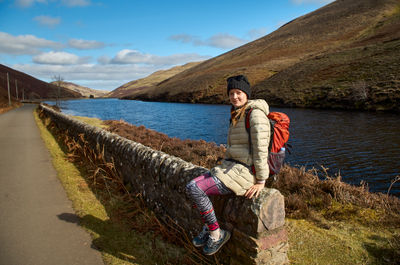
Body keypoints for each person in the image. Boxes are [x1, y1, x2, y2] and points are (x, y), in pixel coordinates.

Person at [186, 74, 271, 255]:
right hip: (230, 168)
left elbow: (261, 150)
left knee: (195, 188)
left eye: (238, 92)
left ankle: (217, 234)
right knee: (191, 186)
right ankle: (210, 228)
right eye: (231, 93)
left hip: (245, 173)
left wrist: (261, 181)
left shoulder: (255, 115)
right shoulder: (237, 113)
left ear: (246, 94)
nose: (234, 97)